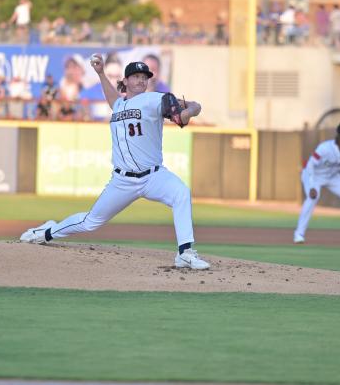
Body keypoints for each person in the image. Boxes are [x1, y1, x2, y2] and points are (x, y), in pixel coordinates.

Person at [20, 55, 210, 270]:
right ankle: (45, 232)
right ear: (126, 81)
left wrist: (193, 109)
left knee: (181, 193)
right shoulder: (119, 105)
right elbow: (113, 100)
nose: (141, 80)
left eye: (144, 77)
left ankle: (185, 253)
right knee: (90, 222)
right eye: (136, 76)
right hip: (122, 181)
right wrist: (101, 73)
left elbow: (180, 118)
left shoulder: (154, 99)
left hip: (154, 176)